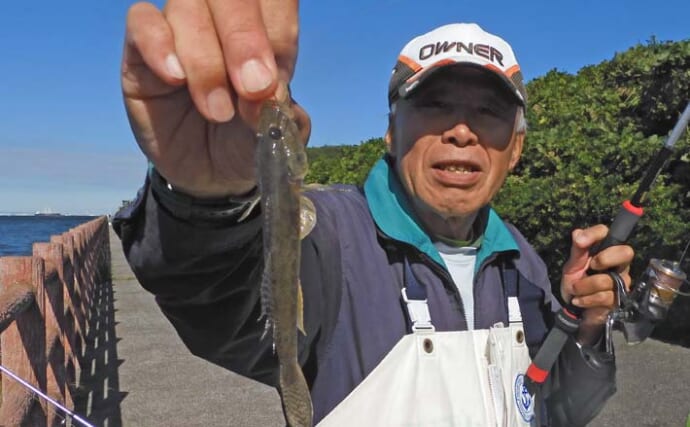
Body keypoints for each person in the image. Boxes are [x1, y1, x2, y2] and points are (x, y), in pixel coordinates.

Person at [114, 1, 634, 425]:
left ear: (515, 148)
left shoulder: (522, 261)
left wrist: (585, 328)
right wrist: (206, 202)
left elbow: (554, 410)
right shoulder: (330, 234)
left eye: (490, 111)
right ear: (391, 130)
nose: (461, 130)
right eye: (434, 105)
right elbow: (218, 295)